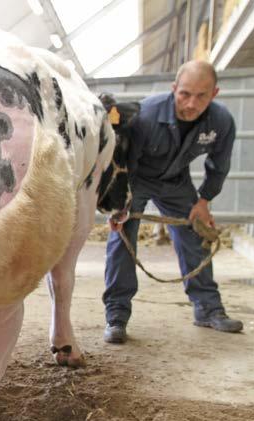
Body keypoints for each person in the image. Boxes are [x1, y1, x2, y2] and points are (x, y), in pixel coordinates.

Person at [103, 60, 243, 344]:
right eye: (185, 94)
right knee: (123, 239)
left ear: (214, 94)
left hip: (176, 180)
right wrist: (119, 204)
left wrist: (204, 201)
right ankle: (116, 316)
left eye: (201, 96)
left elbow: (219, 164)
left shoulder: (221, 121)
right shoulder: (147, 115)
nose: (191, 104)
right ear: (174, 88)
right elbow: (122, 159)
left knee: (194, 232)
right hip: (136, 178)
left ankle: (207, 308)